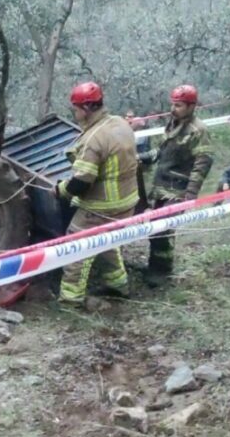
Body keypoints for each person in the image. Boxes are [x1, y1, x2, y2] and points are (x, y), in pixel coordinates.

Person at [55, 82, 140, 309]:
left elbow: (82, 181)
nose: (74, 113)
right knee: (107, 240)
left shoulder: (93, 139)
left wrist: (61, 190)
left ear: (87, 108)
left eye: (75, 109)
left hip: (103, 205)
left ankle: (71, 300)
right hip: (128, 200)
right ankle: (118, 285)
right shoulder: (121, 123)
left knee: (77, 245)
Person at [138, 85, 213, 285]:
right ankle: (155, 265)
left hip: (177, 190)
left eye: (178, 105)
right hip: (161, 187)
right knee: (155, 229)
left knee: (163, 230)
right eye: (173, 104)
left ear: (191, 106)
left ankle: (162, 273)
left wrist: (190, 194)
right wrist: (142, 158)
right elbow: (161, 152)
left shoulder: (198, 130)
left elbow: (203, 162)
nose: (173, 108)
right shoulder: (173, 124)